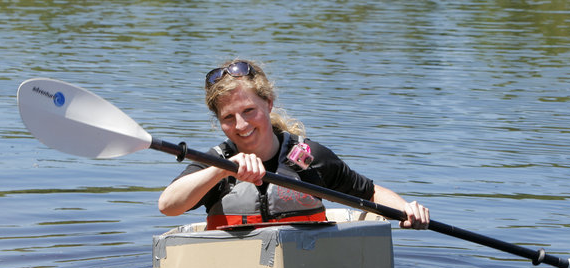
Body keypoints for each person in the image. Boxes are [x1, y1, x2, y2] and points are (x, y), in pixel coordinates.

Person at [158, 59, 430, 231]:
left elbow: (369, 193)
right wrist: (221, 171)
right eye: (228, 117)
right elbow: (168, 206)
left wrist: (406, 209)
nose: (241, 125)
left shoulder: (308, 158)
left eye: (249, 110)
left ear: (269, 104)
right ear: (219, 121)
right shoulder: (216, 161)